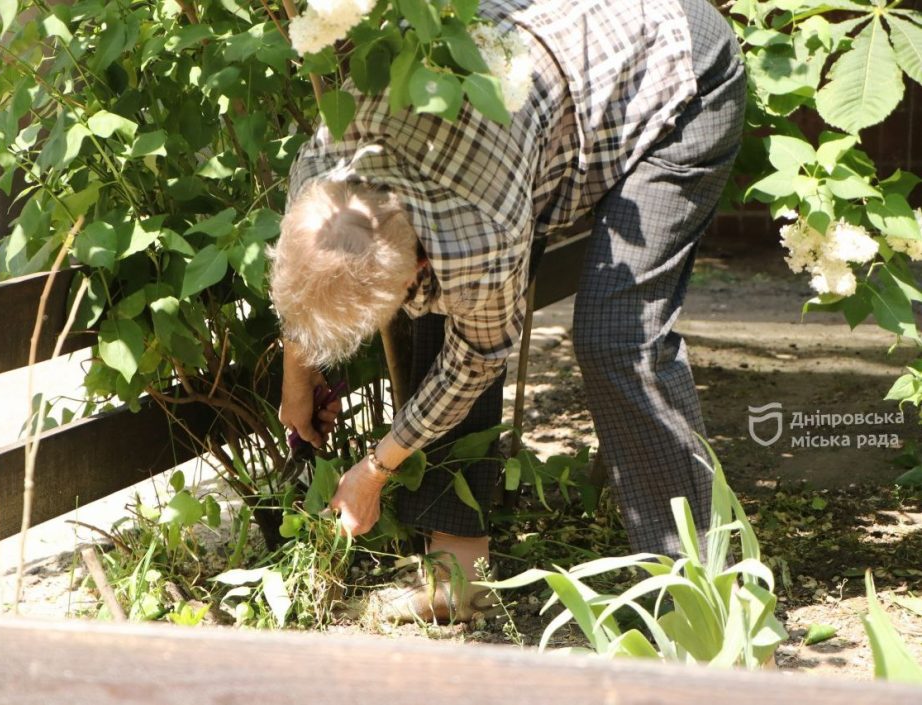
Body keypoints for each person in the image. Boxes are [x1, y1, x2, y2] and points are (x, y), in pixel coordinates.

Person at [268, 0, 746, 621]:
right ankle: (454, 584)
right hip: (531, 111)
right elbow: (312, 280)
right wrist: (296, 375)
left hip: (674, 77)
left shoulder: (477, 238)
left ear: (419, 266)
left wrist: (374, 467)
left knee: (618, 340)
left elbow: (476, 359)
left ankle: (704, 599)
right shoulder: (322, 176)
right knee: (442, 317)